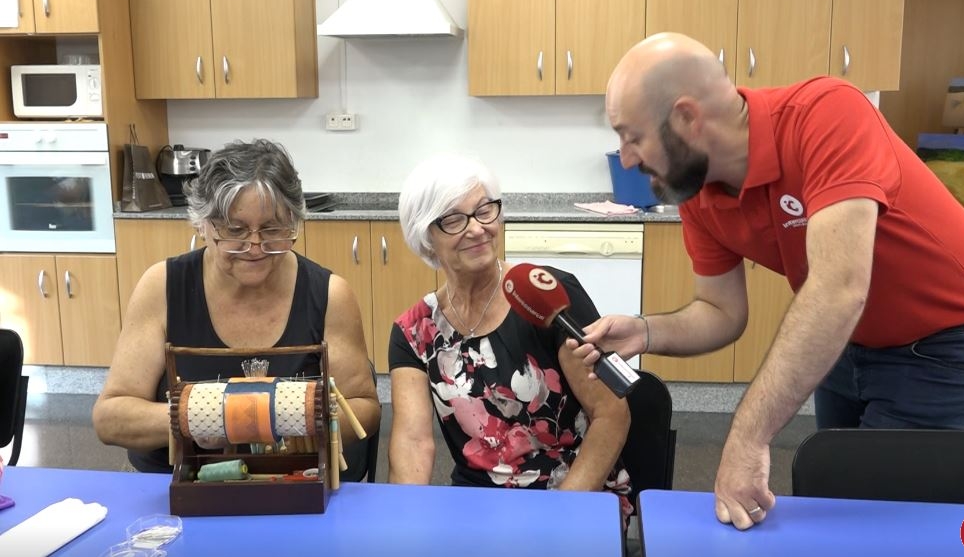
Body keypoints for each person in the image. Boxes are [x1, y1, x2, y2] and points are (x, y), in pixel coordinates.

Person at [571, 32, 964, 530]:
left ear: (687, 118)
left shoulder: (826, 114)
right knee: (837, 495)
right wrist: (647, 330)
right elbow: (720, 312)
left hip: (949, 337)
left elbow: (837, 289)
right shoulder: (699, 187)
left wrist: (747, 438)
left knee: (881, 518)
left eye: (632, 136)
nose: (626, 158)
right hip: (851, 339)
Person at [93, 139, 380, 474]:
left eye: (272, 229)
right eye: (234, 230)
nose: (255, 246)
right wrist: (203, 418)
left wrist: (285, 417)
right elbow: (110, 418)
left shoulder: (329, 294)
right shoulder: (162, 287)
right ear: (201, 224)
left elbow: (364, 410)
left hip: (293, 483)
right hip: (173, 486)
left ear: (294, 222)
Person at [388, 156, 633, 516]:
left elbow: (611, 414)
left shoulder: (546, 297)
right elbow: (413, 442)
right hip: (476, 505)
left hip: (571, 493)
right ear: (426, 238)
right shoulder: (414, 331)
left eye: (484, 210)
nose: (477, 229)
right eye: (454, 219)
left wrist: (561, 517)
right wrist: (402, 524)